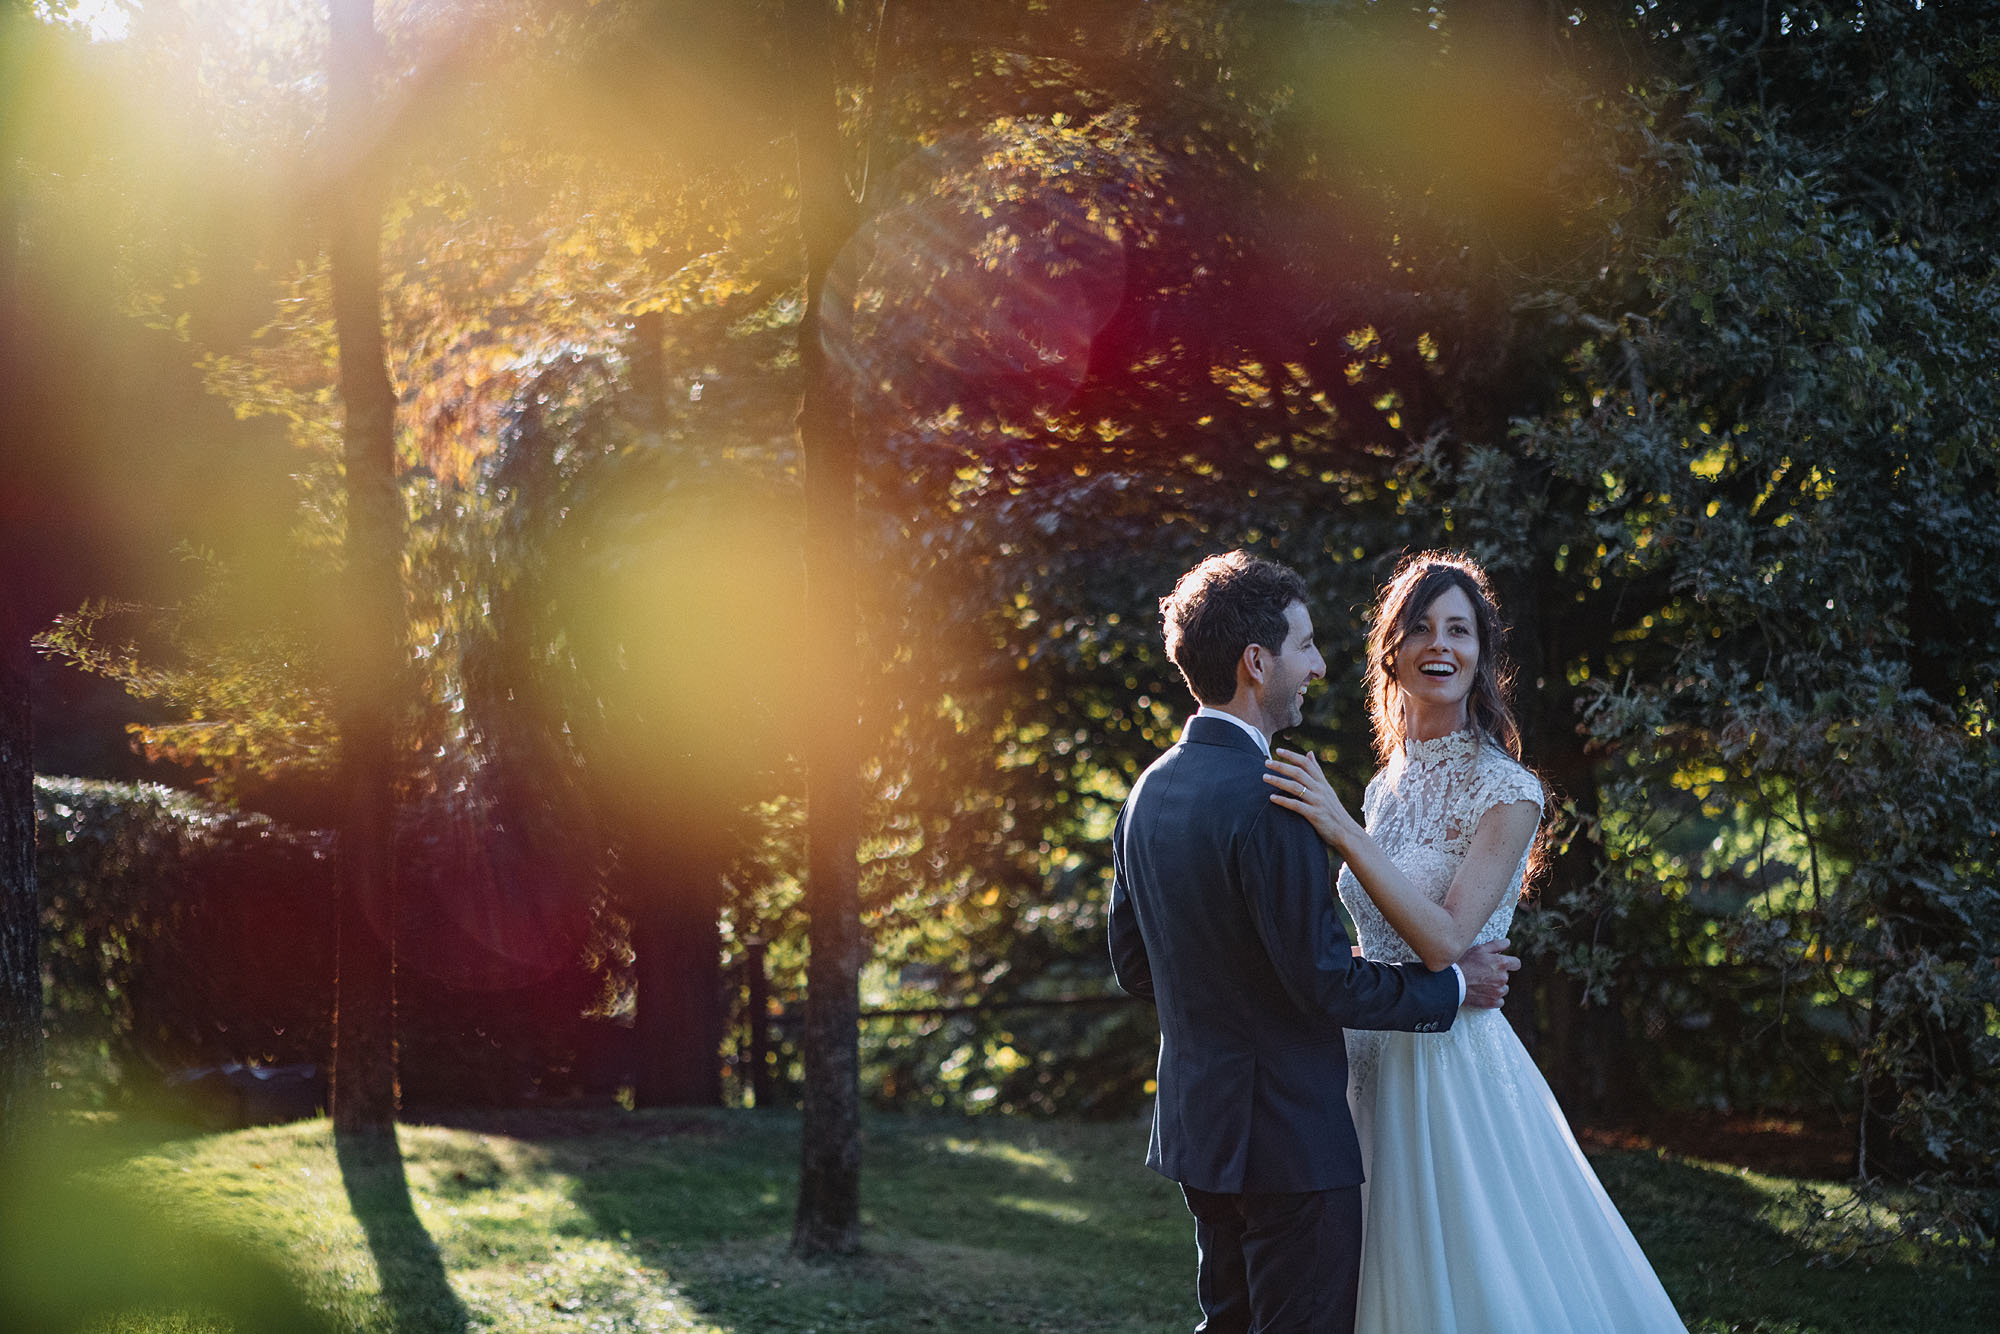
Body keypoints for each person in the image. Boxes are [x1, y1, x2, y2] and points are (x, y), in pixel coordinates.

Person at [1264, 550, 1687, 1334]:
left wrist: (1343, 832)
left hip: (1448, 1065)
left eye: (1459, 630)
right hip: (1364, 1058)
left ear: (1482, 656)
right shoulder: (1381, 788)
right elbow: (1381, 935)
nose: (1440, 645)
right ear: (1391, 651)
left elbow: (1447, 940)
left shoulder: (1508, 790)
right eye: (1421, 627)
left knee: (1465, 1275)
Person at [1109, 549, 1519, 1334]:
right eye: (1304, 647)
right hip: (1292, 1142)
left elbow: (1136, 967)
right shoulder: (1275, 799)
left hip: (1205, 1132)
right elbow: (1326, 983)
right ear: (1257, 663)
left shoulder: (1149, 790)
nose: (1320, 666)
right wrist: (1457, 987)